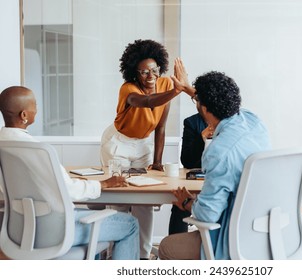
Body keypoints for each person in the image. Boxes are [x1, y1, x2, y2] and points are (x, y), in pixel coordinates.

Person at [0, 86, 140, 260]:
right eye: (34, 105)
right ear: (24, 115)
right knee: (131, 225)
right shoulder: (38, 150)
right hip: (56, 233)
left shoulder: (4, 145)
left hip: (19, 232)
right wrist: (103, 184)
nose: (37, 109)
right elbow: (68, 189)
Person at [158, 71, 271, 260]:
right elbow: (213, 103)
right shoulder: (253, 121)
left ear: (204, 108)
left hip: (231, 238)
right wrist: (190, 91)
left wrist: (188, 203)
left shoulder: (219, 152)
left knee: (166, 247)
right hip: (264, 232)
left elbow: (208, 216)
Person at [99, 39, 188, 259]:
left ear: (160, 68)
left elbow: (161, 126)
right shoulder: (128, 89)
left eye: (154, 70)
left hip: (142, 145)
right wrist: (178, 91)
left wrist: (157, 160)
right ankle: (114, 255)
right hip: (118, 143)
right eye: (143, 72)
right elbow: (147, 102)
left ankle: (142, 256)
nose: (150, 76)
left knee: (144, 201)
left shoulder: (166, 84)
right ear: (134, 73)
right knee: (118, 199)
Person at [168, 113, 207, 235]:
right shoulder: (192, 122)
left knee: (184, 202)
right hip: (195, 178)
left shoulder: (231, 125)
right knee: (181, 200)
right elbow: (187, 161)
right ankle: (174, 248)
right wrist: (202, 138)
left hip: (218, 180)